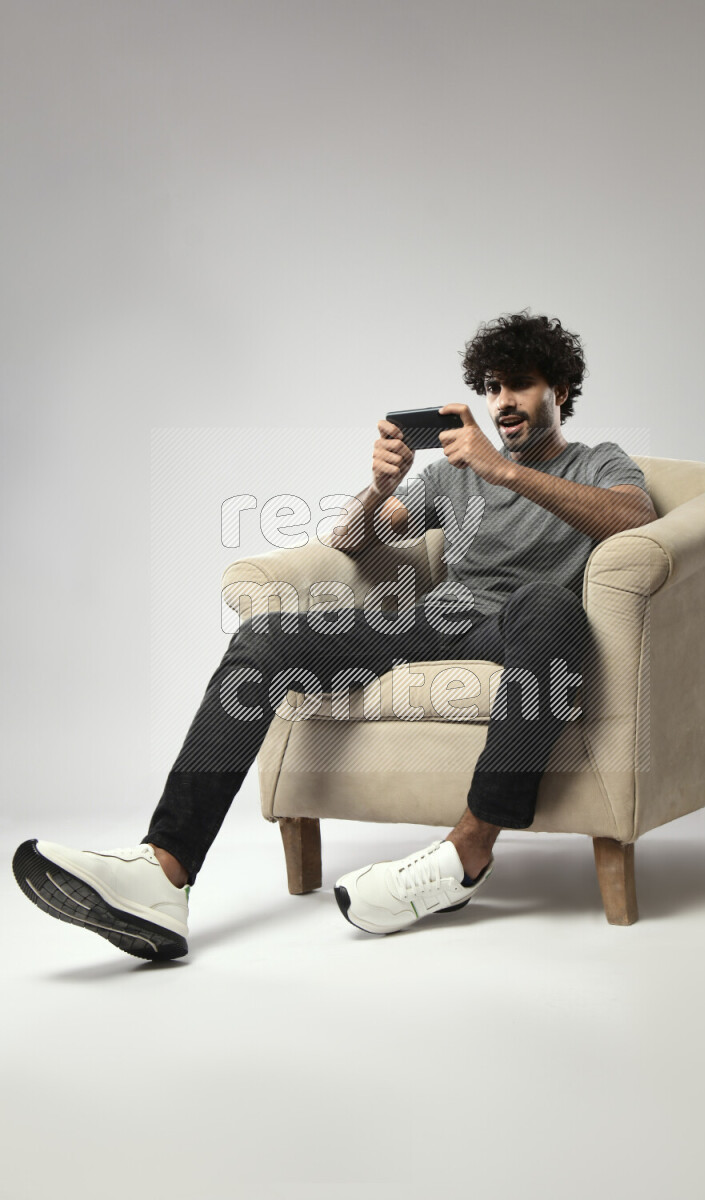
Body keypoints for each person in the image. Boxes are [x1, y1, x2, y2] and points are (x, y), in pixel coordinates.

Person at [12, 310, 657, 960]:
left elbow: (634, 518)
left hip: (521, 629)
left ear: (560, 390)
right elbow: (348, 540)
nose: (503, 402)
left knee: (549, 602)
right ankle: (164, 872)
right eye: (492, 387)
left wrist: (506, 472)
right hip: (436, 621)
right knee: (265, 638)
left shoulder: (597, 462)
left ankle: (467, 853)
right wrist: (378, 488)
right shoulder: (449, 475)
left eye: (520, 384)